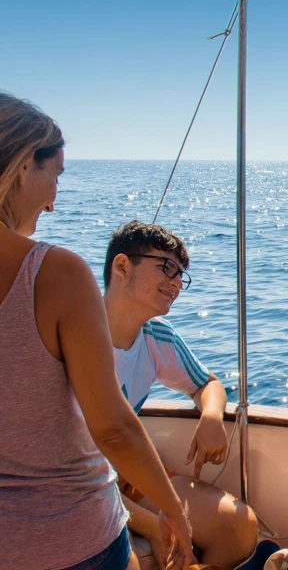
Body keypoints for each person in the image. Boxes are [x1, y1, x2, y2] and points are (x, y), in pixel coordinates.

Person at [0, 94, 194, 569]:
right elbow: (111, 426)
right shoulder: (53, 273)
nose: (54, 200)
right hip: (70, 538)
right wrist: (171, 510)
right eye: (56, 176)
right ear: (23, 167)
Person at [103, 220, 259, 568]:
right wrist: (158, 527)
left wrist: (210, 417)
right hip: (79, 484)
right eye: (166, 268)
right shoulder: (71, 336)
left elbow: (207, 384)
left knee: (239, 527)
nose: (176, 283)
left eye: (181, 275)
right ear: (123, 266)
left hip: (125, 474)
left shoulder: (156, 337)